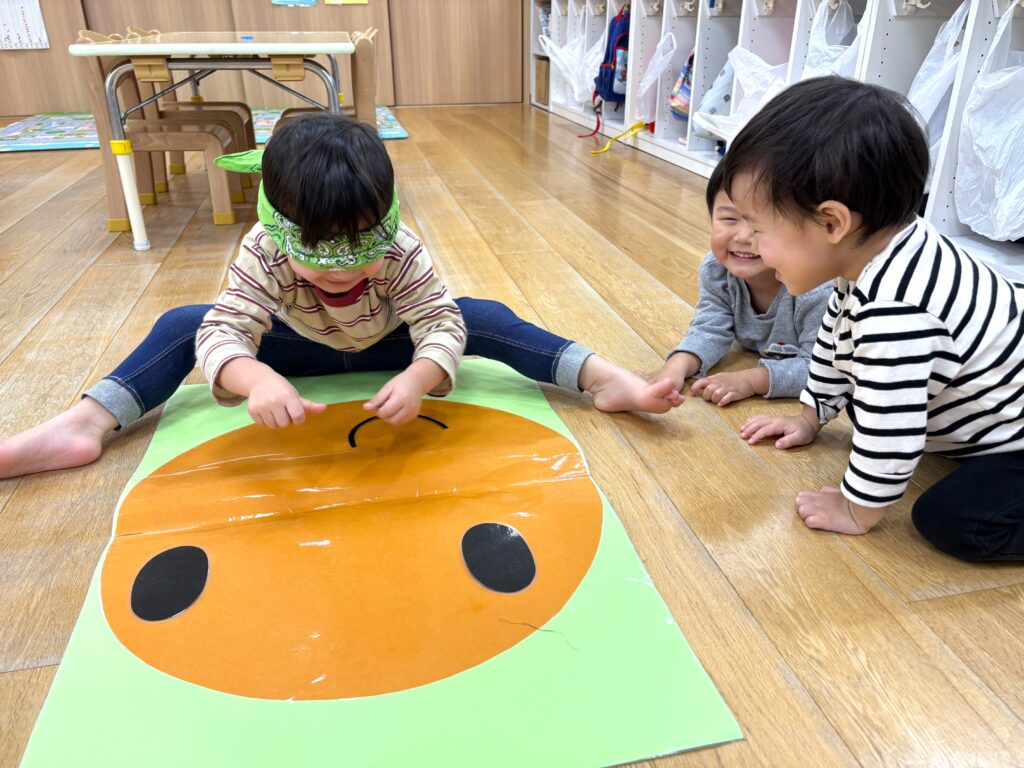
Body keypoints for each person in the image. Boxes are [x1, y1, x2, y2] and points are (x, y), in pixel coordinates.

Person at [0, 113, 681, 480]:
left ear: (384, 218)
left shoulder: (399, 248)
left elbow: (439, 321)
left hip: (388, 340)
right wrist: (255, 375)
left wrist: (420, 373)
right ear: (278, 225)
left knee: (484, 316)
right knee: (183, 322)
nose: (338, 268)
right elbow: (225, 332)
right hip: (296, 353)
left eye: (359, 243)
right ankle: (86, 423)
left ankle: (606, 379)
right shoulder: (264, 249)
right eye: (317, 249)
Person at [732, 77, 1024, 561]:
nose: (752, 246)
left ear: (831, 222)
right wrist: (812, 415)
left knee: (953, 520)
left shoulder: (898, 311)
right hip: (995, 397)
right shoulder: (876, 253)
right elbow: (834, 340)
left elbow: (893, 428)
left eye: (759, 229)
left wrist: (856, 508)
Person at [645, 161, 831, 406]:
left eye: (759, 224)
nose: (743, 237)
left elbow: (822, 370)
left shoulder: (817, 288)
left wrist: (751, 380)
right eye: (729, 218)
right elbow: (710, 327)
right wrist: (675, 367)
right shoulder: (717, 269)